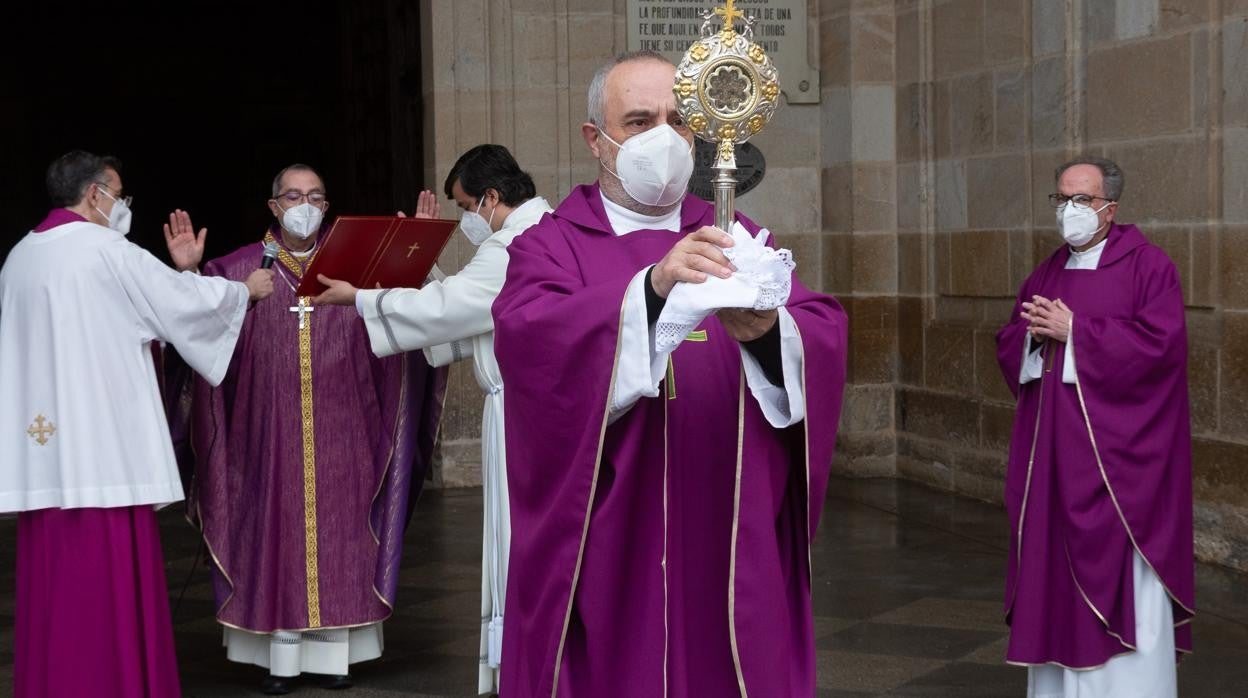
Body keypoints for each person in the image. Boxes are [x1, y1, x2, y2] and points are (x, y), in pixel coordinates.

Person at [489, 50, 848, 697]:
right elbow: (531, 339)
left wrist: (769, 335)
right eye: (639, 120)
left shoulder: (738, 237)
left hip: (727, 533)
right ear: (595, 140)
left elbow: (819, 330)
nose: (665, 138)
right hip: (609, 540)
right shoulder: (549, 246)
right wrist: (650, 291)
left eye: (678, 121)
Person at [0, 150, 274, 697]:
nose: (122, 207)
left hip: (47, 449)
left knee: (55, 582)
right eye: (119, 195)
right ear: (94, 193)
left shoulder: (19, 256)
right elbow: (176, 304)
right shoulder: (107, 250)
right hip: (103, 449)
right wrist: (244, 291)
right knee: (107, 578)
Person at [170, 164, 445, 695]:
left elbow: (416, 315)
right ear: (273, 206)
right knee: (272, 535)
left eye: (317, 196)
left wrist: (415, 259)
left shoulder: (359, 268)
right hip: (263, 435)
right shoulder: (237, 270)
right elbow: (189, 332)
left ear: (327, 206)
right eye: (293, 195)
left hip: (348, 427)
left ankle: (332, 655)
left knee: (342, 536)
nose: (305, 204)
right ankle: (281, 655)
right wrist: (188, 275)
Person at [314, 144, 552, 695]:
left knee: (518, 538)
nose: (467, 219)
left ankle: (524, 662)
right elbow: (468, 304)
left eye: (466, 206)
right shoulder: (540, 230)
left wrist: (363, 298)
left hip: (521, 416)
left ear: (491, 198)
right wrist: (418, 262)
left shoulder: (514, 244)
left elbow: (449, 307)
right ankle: (520, 658)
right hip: (533, 410)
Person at [995, 156, 1194, 697]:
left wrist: (1077, 332)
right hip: (1055, 464)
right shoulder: (1047, 271)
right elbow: (1012, 340)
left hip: (1118, 471)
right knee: (1052, 569)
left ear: (1111, 206)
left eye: (1082, 199)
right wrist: (1036, 339)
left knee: (1118, 572)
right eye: (1062, 199)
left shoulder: (1149, 267)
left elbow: (1162, 350)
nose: (1070, 211)